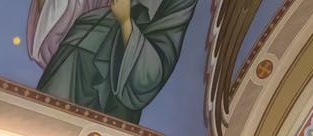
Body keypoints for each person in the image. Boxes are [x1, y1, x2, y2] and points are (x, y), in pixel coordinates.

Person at [34, 0, 198, 123]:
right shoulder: (86, 25)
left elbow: (150, 75)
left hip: (122, 76)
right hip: (89, 37)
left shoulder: (180, 4)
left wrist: (125, 22)